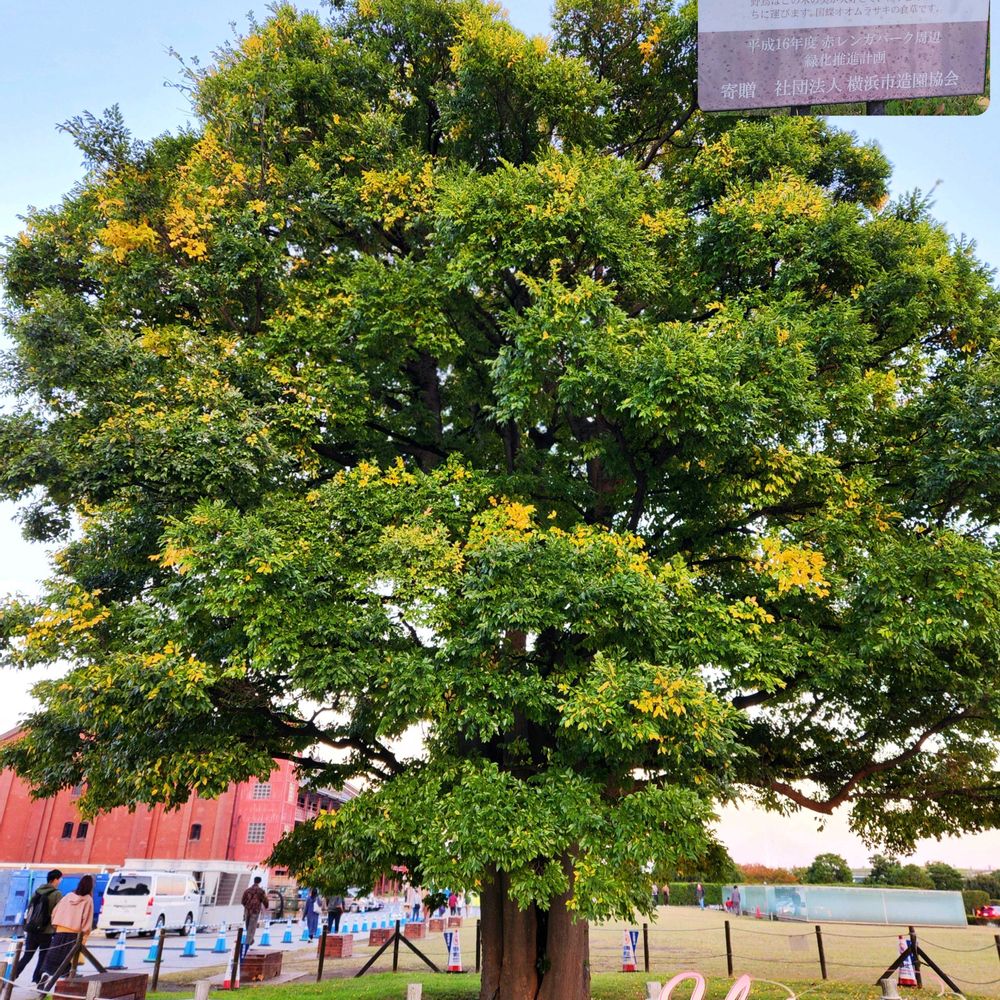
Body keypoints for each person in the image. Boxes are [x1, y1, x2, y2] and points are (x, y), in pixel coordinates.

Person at [37, 875, 93, 995]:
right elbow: (87, 920)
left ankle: (46, 975)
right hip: (74, 935)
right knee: (67, 962)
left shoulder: (68, 896)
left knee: (52, 957)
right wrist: (84, 938)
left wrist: (57, 925)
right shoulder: (88, 900)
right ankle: (65, 988)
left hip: (60, 931)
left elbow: (55, 911)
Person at [14, 869, 62, 984]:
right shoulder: (57, 894)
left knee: (27, 956)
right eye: (60, 878)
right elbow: (59, 911)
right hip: (46, 931)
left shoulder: (37, 891)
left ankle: (13, 976)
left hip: (32, 929)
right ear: (55, 879)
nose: (60, 881)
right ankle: (37, 980)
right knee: (43, 957)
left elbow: (30, 908)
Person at [240, 876, 268, 956]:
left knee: (248, 926)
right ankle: (247, 944)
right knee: (251, 928)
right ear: (259, 882)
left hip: (247, 911)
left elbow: (243, 901)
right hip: (255, 911)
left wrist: (247, 906)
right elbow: (265, 900)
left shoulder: (247, 890)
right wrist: (266, 906)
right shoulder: (261, 891)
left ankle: (249, 940)